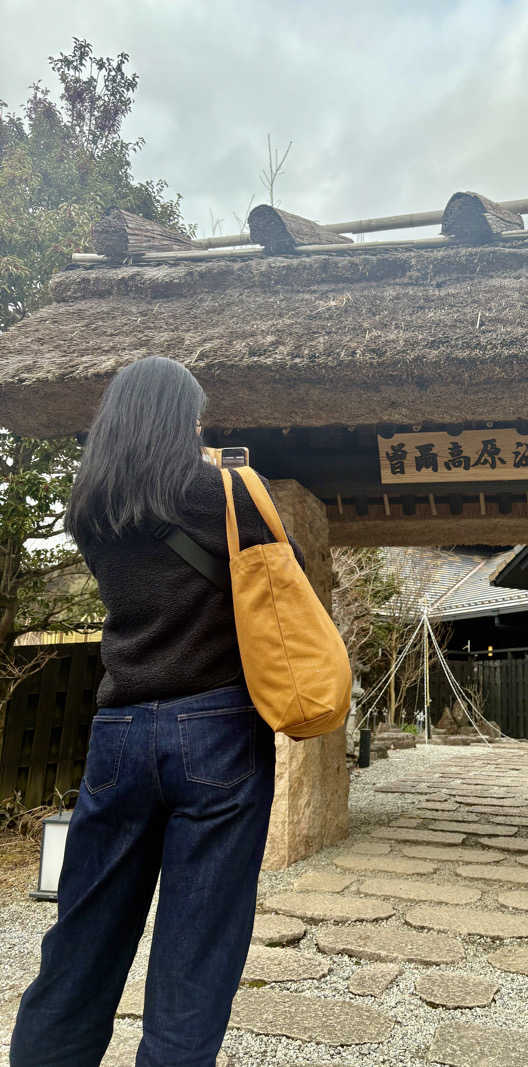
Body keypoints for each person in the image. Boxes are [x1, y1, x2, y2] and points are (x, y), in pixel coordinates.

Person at [10, 356, 304, 1067]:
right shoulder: (218, 491)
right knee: (194, 957)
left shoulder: (92, 504)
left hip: (119, 731)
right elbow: (278, 583)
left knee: (81, 942)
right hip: (216, 730)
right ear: (181, 418)